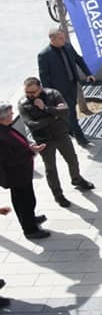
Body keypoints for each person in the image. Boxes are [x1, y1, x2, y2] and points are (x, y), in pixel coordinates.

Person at [19, 77, 94, 207]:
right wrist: (54, 117)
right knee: (51, 169)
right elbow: (31, 124)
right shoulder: (23, 103)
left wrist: (46, 108)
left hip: (61, 135)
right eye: (27, 92)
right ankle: (58, 194)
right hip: (44, 140)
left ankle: (77, 179)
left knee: (72, 160)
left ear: (40, 88)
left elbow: (65, 110)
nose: (30, 95)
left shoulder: (53, 94)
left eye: (33, 92)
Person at [0, 102, 50, 240]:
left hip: (23, 173)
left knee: (27, 199)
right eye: (10, 114)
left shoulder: (6, 128)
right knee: (23, 202)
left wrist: (29, 148)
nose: (12, 115)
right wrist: (30, 151)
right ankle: (30, 230)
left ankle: (30, 219)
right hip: (16, 176)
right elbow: (8, 160)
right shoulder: (1, 136)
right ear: (2, 118)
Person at [38, 27, 95, 146]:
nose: (64, 40)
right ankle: (81, 139)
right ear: (52, 39)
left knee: (71, 109)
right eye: (60, 38)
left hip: (73, 85)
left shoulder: (68, 47)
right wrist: (49, 94)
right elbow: (44, 76)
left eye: (63, 37)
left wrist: (88, 73)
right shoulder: (44, 55)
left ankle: (69, 130)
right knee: (71, 113)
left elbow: (78, 60)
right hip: (59, 91)